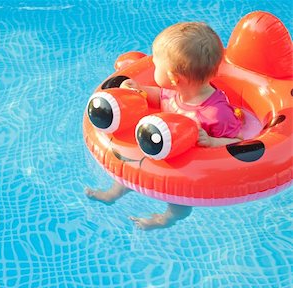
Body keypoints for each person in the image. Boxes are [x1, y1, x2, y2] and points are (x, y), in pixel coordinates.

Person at [85, 22, 243, 230]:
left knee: (180, 205)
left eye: (156, 66)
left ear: (173, 78)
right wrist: (139, 89)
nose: (153, 68)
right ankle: (112, 194)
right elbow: (160, 96)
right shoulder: (177, 90)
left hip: (189, 171)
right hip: (162, 149)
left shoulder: (217, 114)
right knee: (130, 168)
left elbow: (239, 143)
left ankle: (166, 219)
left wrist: (213, 141)